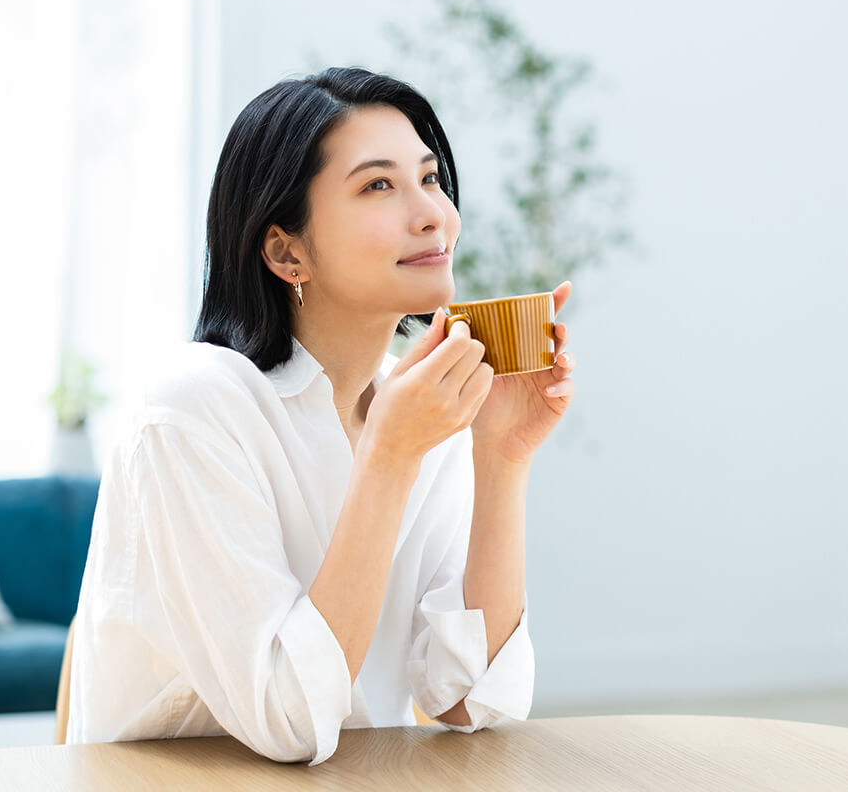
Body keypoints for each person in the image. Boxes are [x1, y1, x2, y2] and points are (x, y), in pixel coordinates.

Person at [66, 67, 575, 766]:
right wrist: (389, 458)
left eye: (429, 179)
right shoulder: (192, 410)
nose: (432, 214)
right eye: (377, 186)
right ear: (286, 251)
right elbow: (289, 721)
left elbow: (468, 697)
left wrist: (500, 454)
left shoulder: (419, 408)